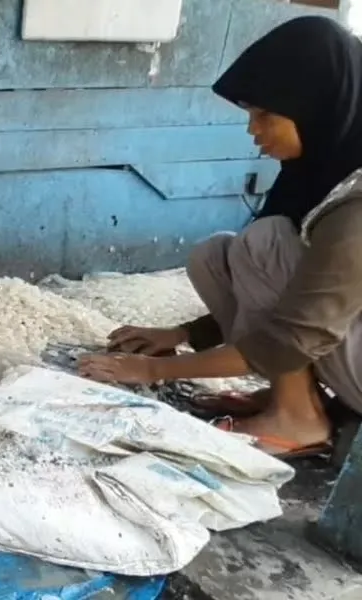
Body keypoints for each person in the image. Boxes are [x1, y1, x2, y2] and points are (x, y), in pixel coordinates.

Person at [79, 16, 362, 458]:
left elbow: (295, 335)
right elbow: (284, 297)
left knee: (263, 244)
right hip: (347, 345)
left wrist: (152, 370)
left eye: (265, 115)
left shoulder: (356, 202)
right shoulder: (318, 168)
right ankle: (291, 398)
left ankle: (299, 421)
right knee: (217, 256)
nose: (253, 130)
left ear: (315, 104)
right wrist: (183, 333)